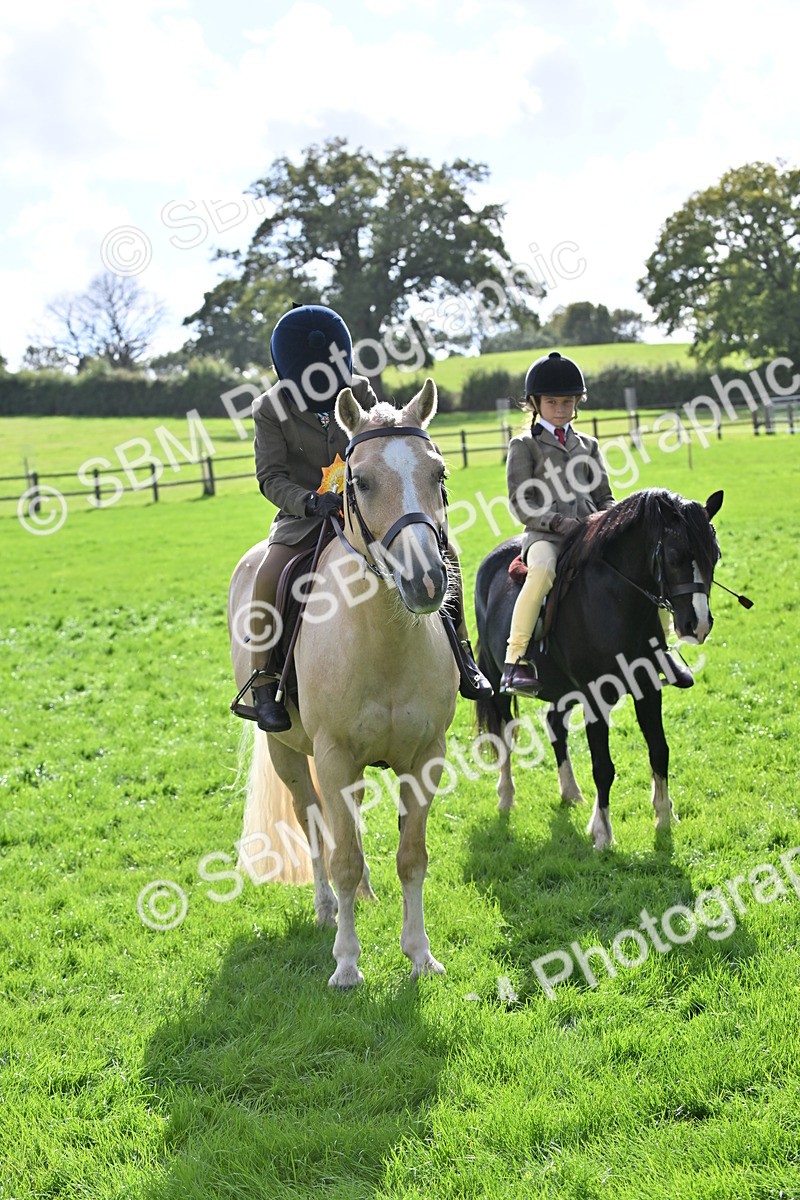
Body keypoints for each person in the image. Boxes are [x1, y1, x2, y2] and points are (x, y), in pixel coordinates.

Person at [244, 303, 490, 734]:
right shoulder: (269, 409)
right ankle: (265, 681)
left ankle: (463, 653)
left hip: (369, 504)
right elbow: (270, 477)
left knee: (445, 552)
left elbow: (383, 445)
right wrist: (309, 501)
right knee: (269, 574)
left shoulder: (360, 390)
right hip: (303, 517)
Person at [500, 350, 693, 695]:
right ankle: (515, 661)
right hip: (547, 535)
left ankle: (662, 652)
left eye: (567, 402)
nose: (560, 409)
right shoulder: (524, 446)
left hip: (592, 531)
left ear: (577, 404)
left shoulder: (587, 445)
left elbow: (605, 495)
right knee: (542, 572)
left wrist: (609, 520)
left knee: (650, 564)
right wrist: (560, 523)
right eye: (552, 402)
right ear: (535, 403)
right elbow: (520, 503)